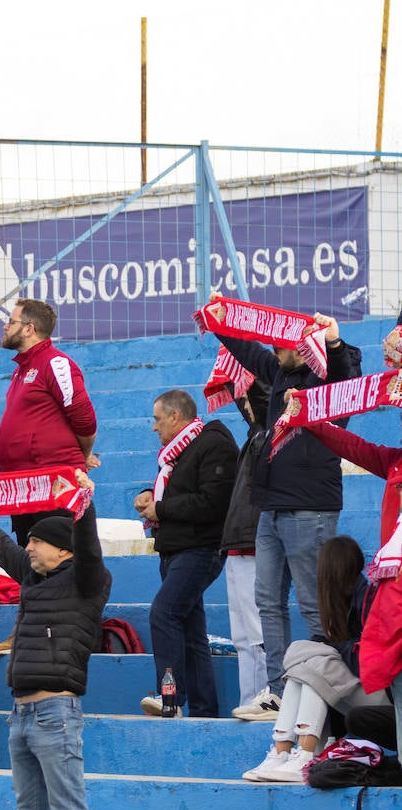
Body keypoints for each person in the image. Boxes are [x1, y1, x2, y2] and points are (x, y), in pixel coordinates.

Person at [213, 305, 361, 720]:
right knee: (267, 601)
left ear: (304, 346)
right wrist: (218, 320)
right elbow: (250, 354)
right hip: (271, 506)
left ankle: (324, 692)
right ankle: (279, 690)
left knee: (317, 605)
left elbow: (344, 376)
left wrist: (332, 341)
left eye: (281, 348)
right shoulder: (281, 370)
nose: (273, 355)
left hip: (309, 508)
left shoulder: (327, 374)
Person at [0, 506, 109, 810]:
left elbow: (88, 546)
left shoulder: (88, 580)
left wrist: (84, 507)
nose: (27, 547)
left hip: (55, 716)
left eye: (36, 541)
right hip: (20, 716)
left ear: (63, 548)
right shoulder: (32, 577)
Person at [0, 299, 98, 655]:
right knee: (31, 557)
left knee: (60, 558)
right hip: (21, 488)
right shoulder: (22, 370)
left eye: (11, 320)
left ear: (29, 328)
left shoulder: (56, 363)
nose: (5, 326)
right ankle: (29, 628)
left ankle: (71, 632)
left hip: (53, 484)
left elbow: (84, 419)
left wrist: (78, 458)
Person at [297, 417, 402, 755]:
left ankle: (296, 752)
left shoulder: (361, 594)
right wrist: (309, 418)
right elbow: (355, 448)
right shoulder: (395, 461)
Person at [240, 536, 383, 782]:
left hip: (381, 695)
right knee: (304, 660)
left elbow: (370, 659)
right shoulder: (339, 602)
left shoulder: (369, 598)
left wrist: (333, 648)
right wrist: (328, 648)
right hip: (353, 690)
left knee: (309, 660)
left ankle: (304, 755)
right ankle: (281, 753)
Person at [132, 389, 237, 718]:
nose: (154, 427)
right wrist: (150, 496)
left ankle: (171, 700)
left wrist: (159, 510)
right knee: (192, 634)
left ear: (176, 417)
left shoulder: (213, 444)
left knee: (163, 614)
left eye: (157, 419)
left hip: (200, 549)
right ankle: (204, 710)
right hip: (175, 550)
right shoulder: (174, 455)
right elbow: (184, 491)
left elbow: (212, 502)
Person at [221, 381, 271, 710]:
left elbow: (263, 401)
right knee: (241, 636)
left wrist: (244, 372)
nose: (244, 405)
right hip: (236, 542)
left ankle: (267, 697)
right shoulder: (253, 435)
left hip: (253, 542)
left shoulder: (268, 432)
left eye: (247, 397)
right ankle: (247, 700)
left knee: (257, 632)